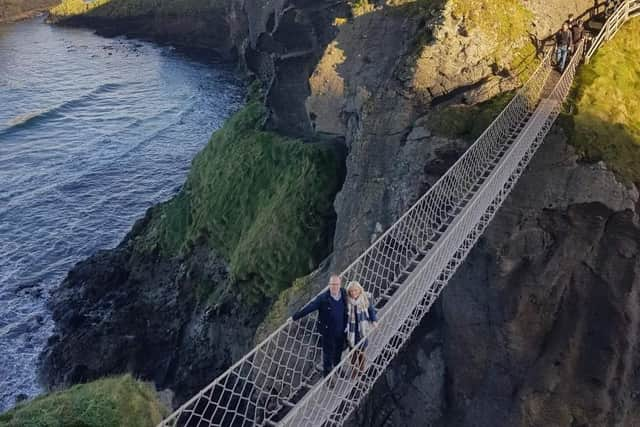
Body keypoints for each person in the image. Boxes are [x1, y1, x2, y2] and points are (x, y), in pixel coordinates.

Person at [291, 275, 348, 378]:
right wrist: (294, 317)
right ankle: (328, 376)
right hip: (328, 332)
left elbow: (352, 300)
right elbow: (310, 307)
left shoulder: (343, 293)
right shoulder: (323, 299)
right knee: (327, 355)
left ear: (340, 285)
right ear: (329, 285)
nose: (334, 287)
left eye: (336, 284)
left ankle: (338, 368)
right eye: (332, 284)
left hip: (341, 329)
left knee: (338, 351)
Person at [345, 281, 378, 377]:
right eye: (351, 291)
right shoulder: (347, 301)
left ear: (359, 290)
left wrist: (374, 321)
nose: (354, 293)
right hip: (352, 330)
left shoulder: (364, 299)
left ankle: (362, 367)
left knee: (361, 351)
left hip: (362, 329)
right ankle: (354, 369)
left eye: (355, 291)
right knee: (352, 352)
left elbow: (371, 310)